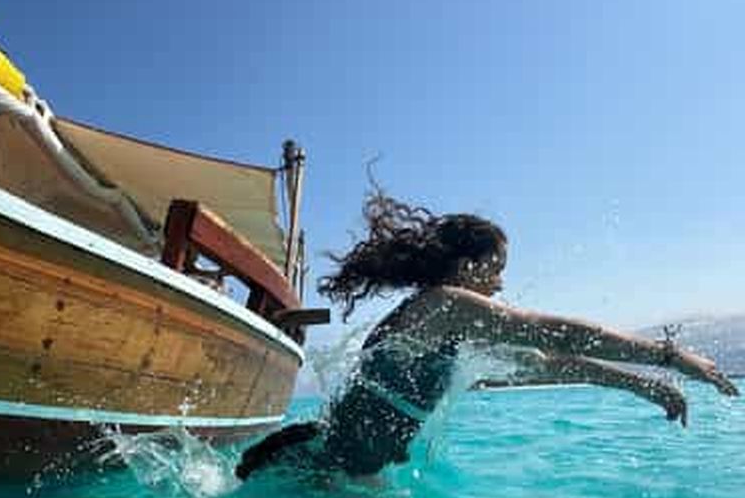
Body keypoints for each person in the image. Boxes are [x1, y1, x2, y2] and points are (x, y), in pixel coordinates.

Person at [236, 191, 738, 481]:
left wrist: (640, 385)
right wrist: (669, 356)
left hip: (339, 475)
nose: (500, 283)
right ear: (468, 266)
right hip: (315, 473)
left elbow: (543, 363)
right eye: (496, 270)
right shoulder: (443, 305)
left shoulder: (446, 335)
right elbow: (556, 333)